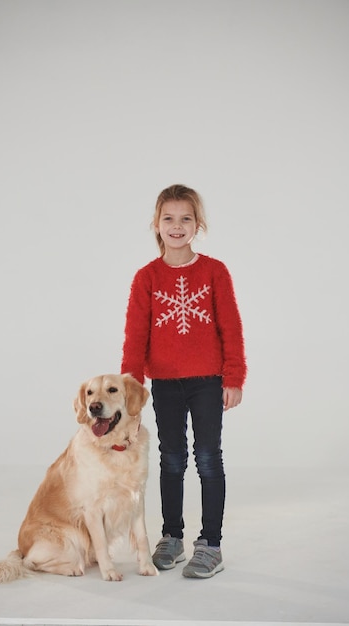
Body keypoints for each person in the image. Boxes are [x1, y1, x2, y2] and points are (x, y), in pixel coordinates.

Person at [121, 184, 246, 579]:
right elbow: (135, 337)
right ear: (157, 225)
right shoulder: (146, 277)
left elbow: (231, 327)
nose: (177, 226)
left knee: (208, 458)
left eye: (186, 218)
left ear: (198, 224)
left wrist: (234, 376)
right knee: (171, 459)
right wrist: (129, 394)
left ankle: (210, 544)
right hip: (165, 384)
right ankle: (171, 536)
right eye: (169, 218)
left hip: (208, 381)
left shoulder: (214, 272)